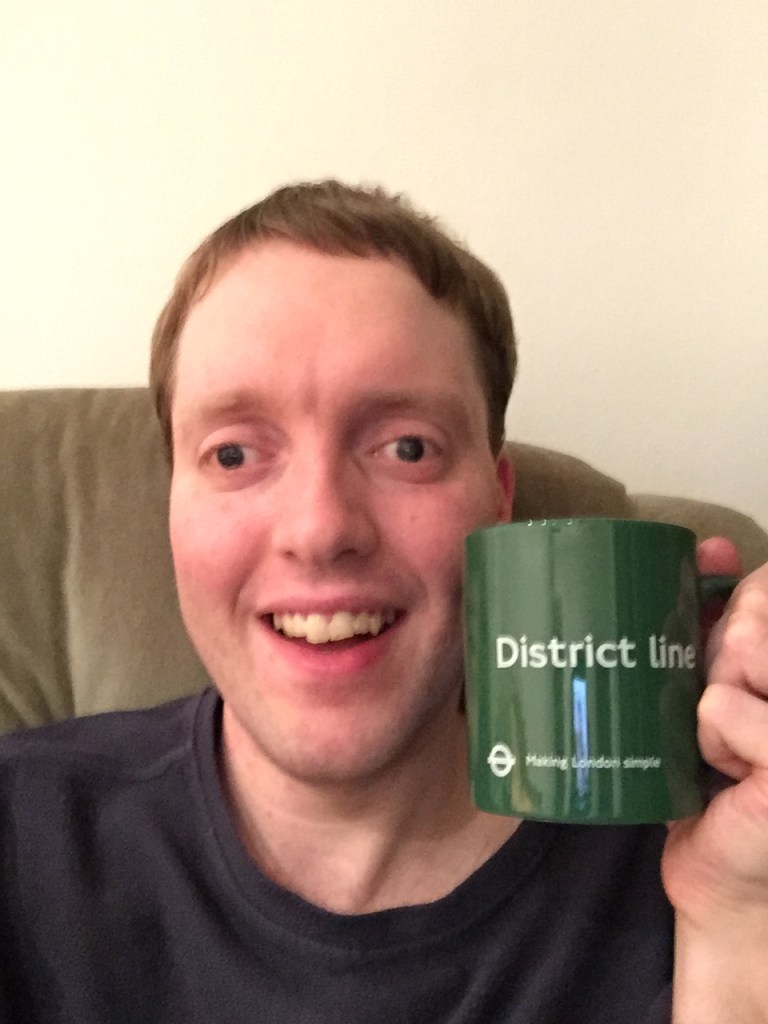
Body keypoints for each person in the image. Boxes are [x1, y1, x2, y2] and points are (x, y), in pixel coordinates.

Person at [1, 180, 767, 1023]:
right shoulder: (21, 834)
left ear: (498, 505)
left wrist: (736, 930)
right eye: (233, 455)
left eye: (407, 447)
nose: (320, 527)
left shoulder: (711, 851)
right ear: (172, 507)